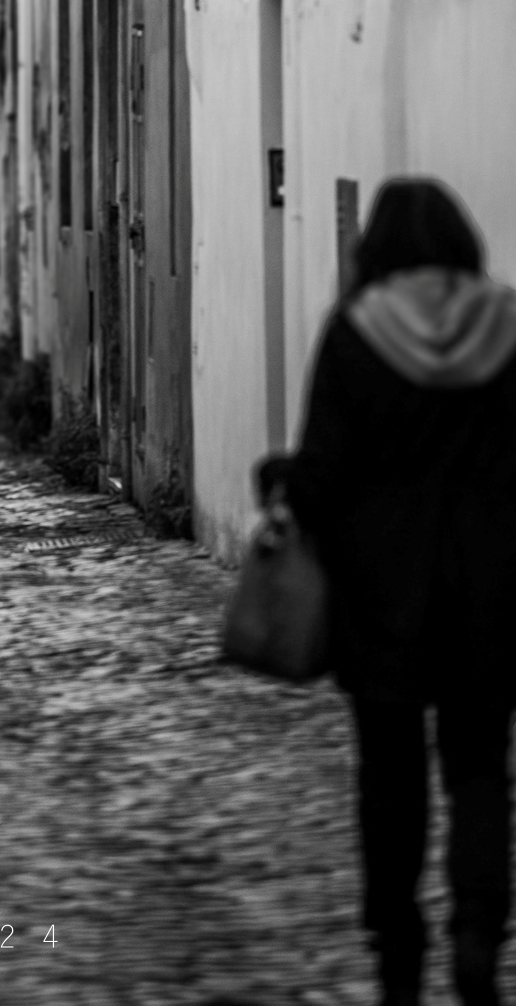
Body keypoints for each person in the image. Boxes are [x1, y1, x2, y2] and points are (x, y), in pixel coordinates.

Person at [263, 179, 516, 1006]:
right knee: (480, 769)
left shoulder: (357, 332)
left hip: (382, 596)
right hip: (490, 588)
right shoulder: (506, 324)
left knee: (390, 778)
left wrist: (282, 485)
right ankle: (478, 931)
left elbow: (324, 472)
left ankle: (398, 947)